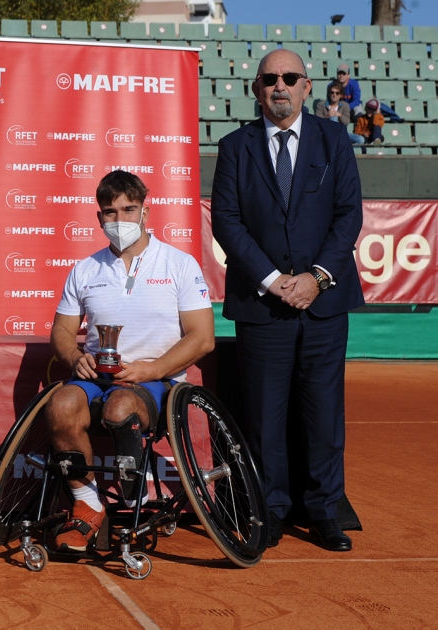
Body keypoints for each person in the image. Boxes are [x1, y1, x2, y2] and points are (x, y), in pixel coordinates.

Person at [210, 49, 364, 552]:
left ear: (306, 86)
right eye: (270, 78)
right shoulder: (235, 146)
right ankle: (269, 510)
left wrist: (316, 278)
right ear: (257, 88)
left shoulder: (335, 139)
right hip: (263, 305)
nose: (280, 85)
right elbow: (227, 221)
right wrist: (275, 279)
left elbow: (348, 216)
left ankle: (324, 511)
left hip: (323, 304)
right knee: (263, 418)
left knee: (324, 415)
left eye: (290, 77)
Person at [44, 170, 215, 552]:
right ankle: (88, 505)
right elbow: (61, 331)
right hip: (97, 377)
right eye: (109, 212)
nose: (119, 220)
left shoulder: (179, 263)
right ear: (99, 217)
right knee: (60, 405)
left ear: (145, 212)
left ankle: (134, 492)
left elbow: (202, 338)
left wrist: (152, 369)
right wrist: (74, 356)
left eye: (128, 209)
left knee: (122, 405)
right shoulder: (86, 269)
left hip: (158, 381)